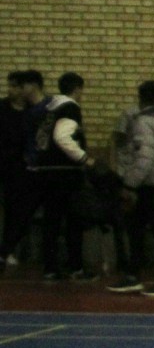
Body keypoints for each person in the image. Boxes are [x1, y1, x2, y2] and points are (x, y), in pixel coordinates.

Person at [29, 70, 96, 281]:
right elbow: (62, 137)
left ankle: (50, 267)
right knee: (74, 221)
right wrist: (84, 158)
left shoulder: (49, 108)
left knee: (51, 221)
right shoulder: (70, 107)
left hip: (46, 171)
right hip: (65, 173)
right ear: (77, 89)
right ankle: (75, 266)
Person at [111, 80, 154, 293]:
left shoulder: (143, 122)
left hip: (149, 185)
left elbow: (143, 158)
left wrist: (129, 184)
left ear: (140, 98)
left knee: (138, 231)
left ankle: (149, 276)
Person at [1, 71, 43, 268]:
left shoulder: (31, 110)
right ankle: (7, 248)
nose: (10, 90)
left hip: (23, 166)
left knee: (20, 210)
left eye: (14, 86)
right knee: (10, 208)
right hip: (5, 163)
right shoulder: (2, 107)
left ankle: (8, 248)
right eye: (9, 86)